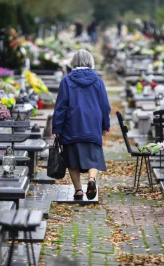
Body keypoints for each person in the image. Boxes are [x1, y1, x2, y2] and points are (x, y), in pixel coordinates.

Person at [52, 49, 111, 200]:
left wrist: (57, 127)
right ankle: (91, 179)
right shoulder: (98, 81)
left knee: (72, 157)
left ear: (73, 62)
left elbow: (61, 106)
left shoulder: (67, 80)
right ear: (90, 61)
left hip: (72, 124)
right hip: (92, 124)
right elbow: (105, 105)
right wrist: (105, 125)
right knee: (94, 154)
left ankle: (78, 190)